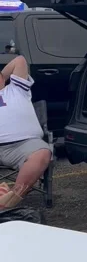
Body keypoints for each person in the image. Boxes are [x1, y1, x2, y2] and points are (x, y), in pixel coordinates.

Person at [0, 55, 52, 212]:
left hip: (25, 144)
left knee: (42, 153)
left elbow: (20, 60)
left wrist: (3, 75)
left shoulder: (16, 89)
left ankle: (10, 200)